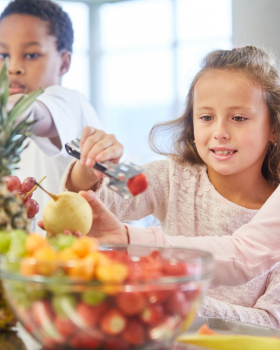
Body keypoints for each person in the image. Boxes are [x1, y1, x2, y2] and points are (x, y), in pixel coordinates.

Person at [62, 46, 280, 328]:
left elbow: (272, 323)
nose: (220, 132)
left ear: (273, 127)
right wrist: (86, 173)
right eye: (206, 117)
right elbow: (96, 210)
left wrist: (173, 301)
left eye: (239, 118)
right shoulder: (173, 177)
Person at [0, 0, 102, 232]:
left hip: (76, 259)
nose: (12, 67)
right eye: (2, 54)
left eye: (32, 54)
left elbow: (30, 112)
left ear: (64, 62)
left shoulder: (68, 101)